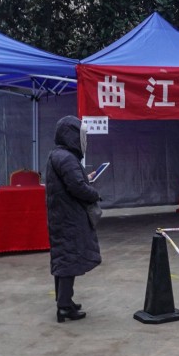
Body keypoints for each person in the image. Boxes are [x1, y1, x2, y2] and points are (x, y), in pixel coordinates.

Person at [45, 116, 102, 323]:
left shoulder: (59, 155)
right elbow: (77, 188)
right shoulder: (67, 158)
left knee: (63, 259)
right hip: (68, 218)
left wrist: (85, 178)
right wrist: (94, 193)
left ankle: (65, 301)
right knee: (68, 260)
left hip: (62, 216)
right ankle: (64, 307)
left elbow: (73, 181)